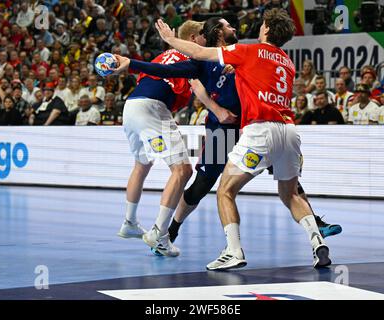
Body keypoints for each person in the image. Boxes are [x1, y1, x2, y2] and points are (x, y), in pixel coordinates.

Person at [112, 17, 342, 258]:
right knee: (202, 185)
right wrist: (132, 64)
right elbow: (167, 72)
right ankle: (170, 232)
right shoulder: (204, 61)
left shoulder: (244, 54)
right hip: (224, 128)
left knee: (289, 181)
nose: (235, 27)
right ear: (218, 32)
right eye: (228, 25)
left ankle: (315, 223)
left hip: (256, 127)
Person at [112, 21, 205, 257]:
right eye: (204, 36)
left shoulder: (164, 55)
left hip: (131, 106)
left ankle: (129, 222)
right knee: (183, 170)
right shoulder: (192, 57)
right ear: (193, 39)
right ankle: (160, 234)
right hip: (153, 109)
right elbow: (195, 87)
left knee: (142, 164)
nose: (207, 41)